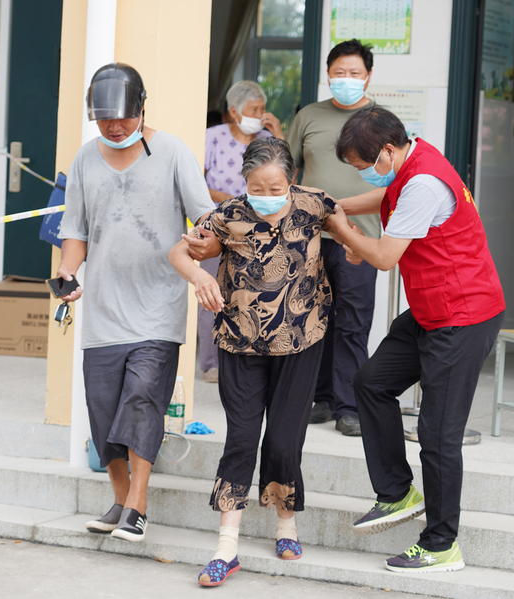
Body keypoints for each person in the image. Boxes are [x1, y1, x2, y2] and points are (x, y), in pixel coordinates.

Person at [326, 106, 506, 573]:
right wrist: (338, 207)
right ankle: (397, 492)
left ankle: (441, 544)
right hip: (431, 309)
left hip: (462, 315)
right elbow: (387, 196)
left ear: (387, 151)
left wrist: (341, 230)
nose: (363, 173)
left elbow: (385, 257)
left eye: (363, 165)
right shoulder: (412, 160)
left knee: (438, 435)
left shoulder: (424, 183)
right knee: (371, 382)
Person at [56, 62, 214, 542]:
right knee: (103, 413)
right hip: (103, 312)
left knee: (143, 399)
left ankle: (138, 506)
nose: (115, 127)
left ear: (143, 108)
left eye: (123, 118)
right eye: (105, 120)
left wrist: (200, 249)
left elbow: (206, 221)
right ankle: (121, 500)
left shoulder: (173, 153)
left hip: (157, 309)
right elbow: (75, 231)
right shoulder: (85, 159)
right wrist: (66, 273)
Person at [169, 138, 334, 587]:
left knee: (283, 440)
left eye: (275, 187)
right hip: (239, 343)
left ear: (291, 179)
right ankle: (226, 548)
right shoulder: (229, 214)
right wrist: (198, 276)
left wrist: (359, 249)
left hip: (301, 341)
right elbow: (179, 251)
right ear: (245, 181)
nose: (266, 195)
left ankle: (286, 525)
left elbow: (350, 230)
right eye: (256, 187)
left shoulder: (314, 205)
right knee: (242, 439)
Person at [286, 39, 384, 436]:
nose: (346, 79)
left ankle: (350, 406)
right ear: (328, 75)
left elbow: (396, 179)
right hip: (309, 238)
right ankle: (322, 398)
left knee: (353, 322)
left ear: (368, 77)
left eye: (354, 73)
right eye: (339, 72)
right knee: (312, 319)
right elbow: (286, 171)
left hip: (361, 238)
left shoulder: (380, 120)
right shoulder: (308, 116)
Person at [197, 81, 284, 384]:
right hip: (218, 227)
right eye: (254, 110)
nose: (260, 115)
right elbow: (196, 182)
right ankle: (211, 363)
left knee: (255, 295)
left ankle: (251, 359)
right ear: (234, 112)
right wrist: (227, 199)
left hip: (258, 231)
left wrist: (278, 133)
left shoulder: (267, 140)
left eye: (262, 109)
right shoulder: (212, 137)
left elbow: (287, 179)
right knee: (213, 294)